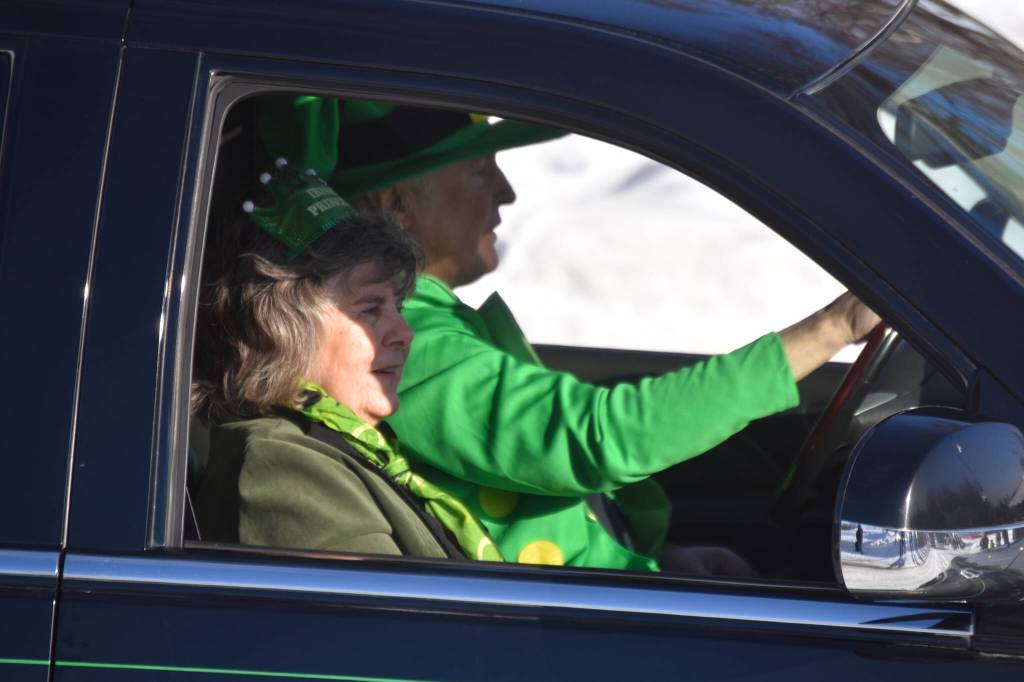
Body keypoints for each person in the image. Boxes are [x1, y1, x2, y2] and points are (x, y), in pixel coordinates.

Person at [257, 98, 880, 573]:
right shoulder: (404, 341)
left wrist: (663, 560)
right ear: (396, 203)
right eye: (480, 171)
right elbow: (594, 436)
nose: (506, 191)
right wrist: (832, 329)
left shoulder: (431, 320)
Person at [191, 159, 502, 562]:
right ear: (284, 329)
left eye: (398, 307)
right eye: (370, 309)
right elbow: (377, 622)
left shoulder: (348, 448)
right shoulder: (283, 468)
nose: (404, 334)